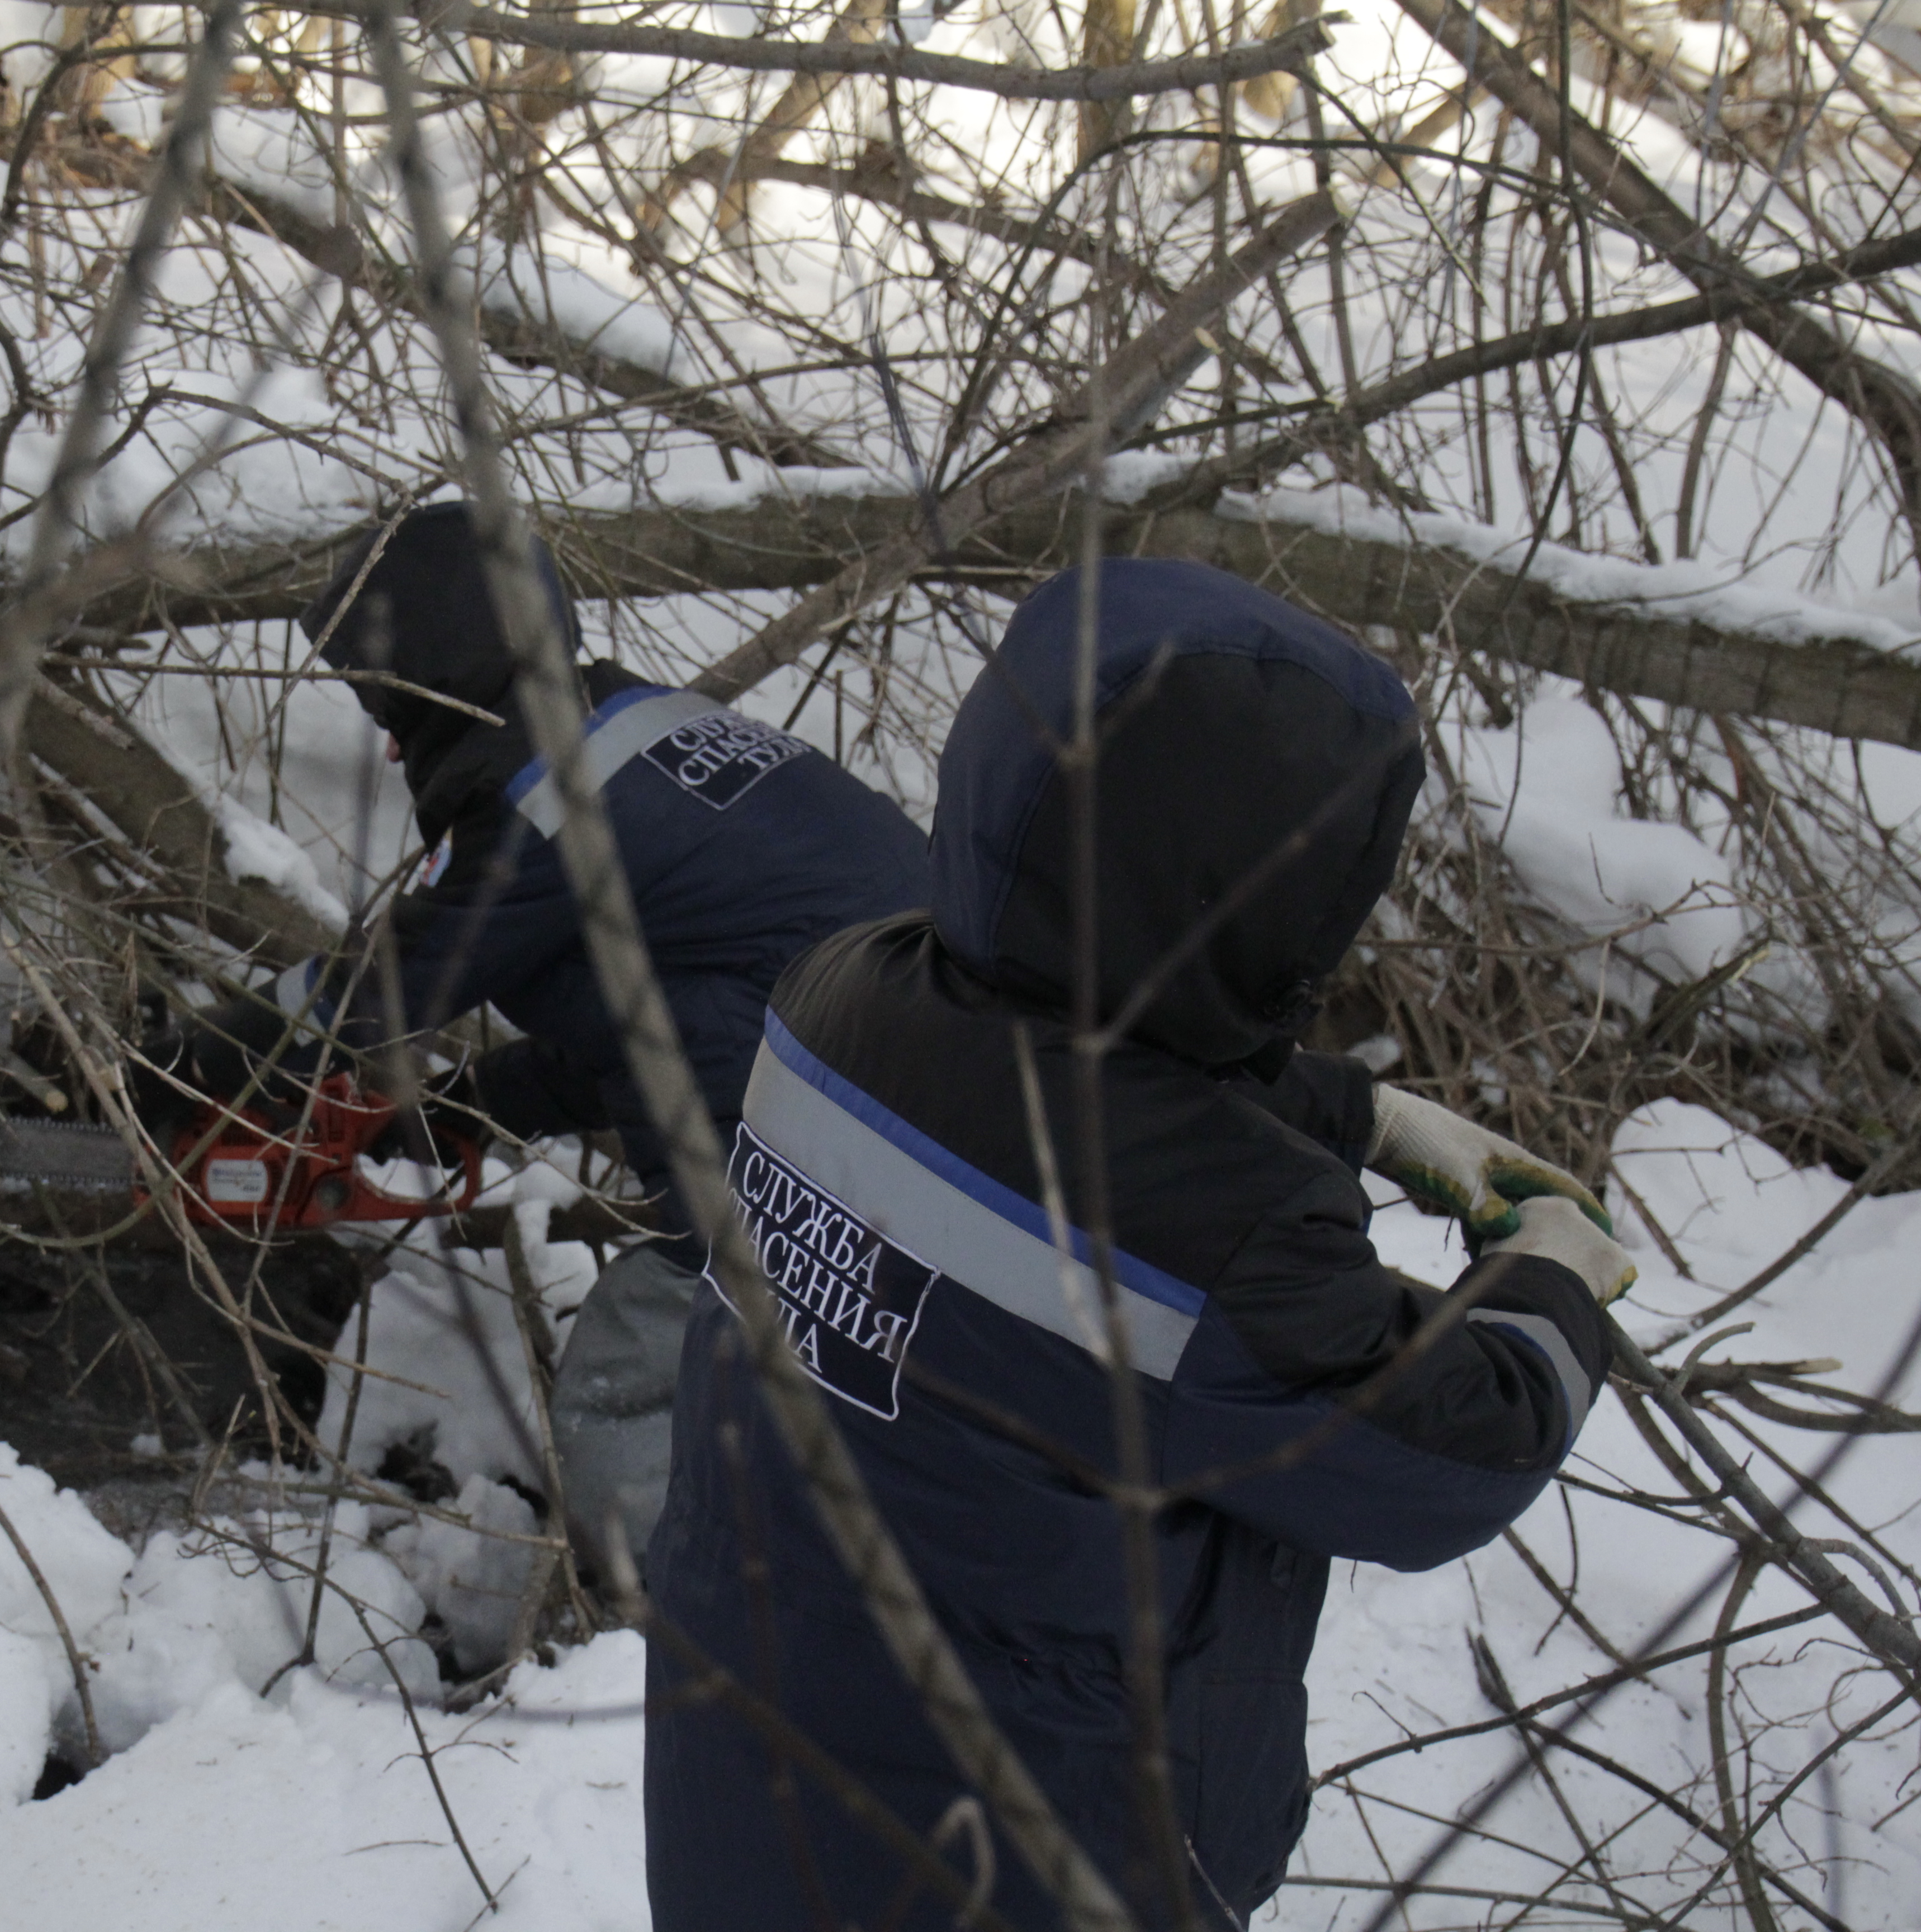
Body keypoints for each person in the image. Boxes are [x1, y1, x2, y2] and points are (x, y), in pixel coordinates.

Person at [641, 560, 1637, 1930]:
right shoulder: (1221, 1239)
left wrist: (1362, 1111)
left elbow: (1071, 1070)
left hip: (745, 1785)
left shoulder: (844, 991)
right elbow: (1450, 1449)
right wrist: (1554, 1281)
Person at [150, 501, 934, 1565]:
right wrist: (478, 1108)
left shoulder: (543, 802)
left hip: (844, 1145)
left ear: (437, 669)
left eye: (390, 705)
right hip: (918, 1107)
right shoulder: (637, 733)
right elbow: (669, 1002)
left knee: (636, 1370)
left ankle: (687, 1640)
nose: (386, 745)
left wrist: (177, 1070)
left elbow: (379, 992)